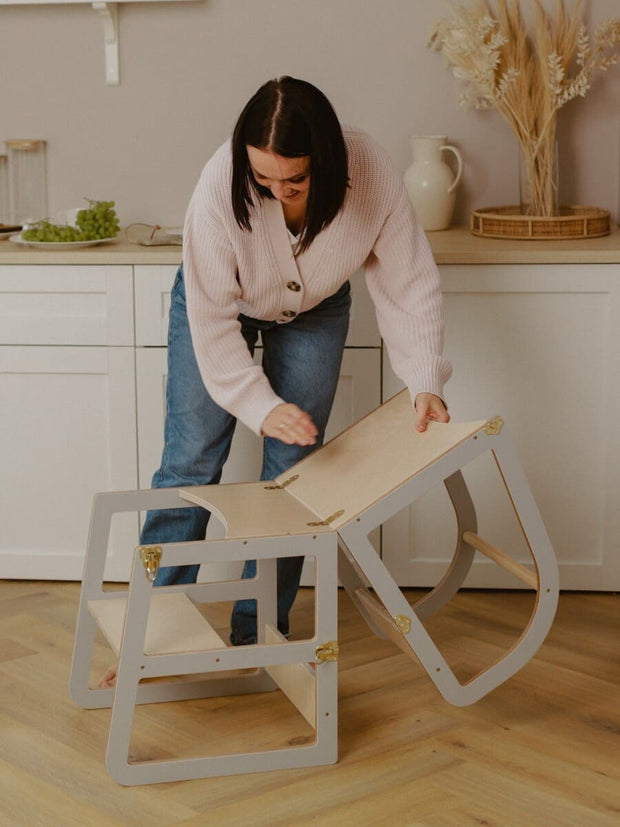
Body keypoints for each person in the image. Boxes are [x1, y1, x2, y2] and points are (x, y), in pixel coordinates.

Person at [100, 76, 451, 686]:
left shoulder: (371, 174)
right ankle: (149, 633)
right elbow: (211, 328)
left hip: (315, 309)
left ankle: (259, 632)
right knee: (189, 460)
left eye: (295, 181)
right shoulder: (219, 184)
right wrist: (259, 405)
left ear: (331, 161)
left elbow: (408, 280)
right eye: (263, 179)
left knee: (293, 473)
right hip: (218, 304)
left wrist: (424, 379)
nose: (276, 192)